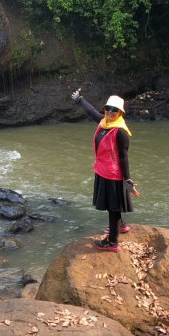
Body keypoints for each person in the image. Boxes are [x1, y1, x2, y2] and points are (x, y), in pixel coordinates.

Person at [71, 88, 140, 252]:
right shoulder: (104, 123)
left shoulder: (120, 132)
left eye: (114, 110)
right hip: (102, 170)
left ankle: (112, 241)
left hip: (113, 175)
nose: (110, 112)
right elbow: (90, 111)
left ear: (120, 112)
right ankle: (121, 226)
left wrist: (127, 179)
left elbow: (124, 157)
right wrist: (79, 99)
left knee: (113, 207)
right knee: (113, 205)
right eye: (108, 108)